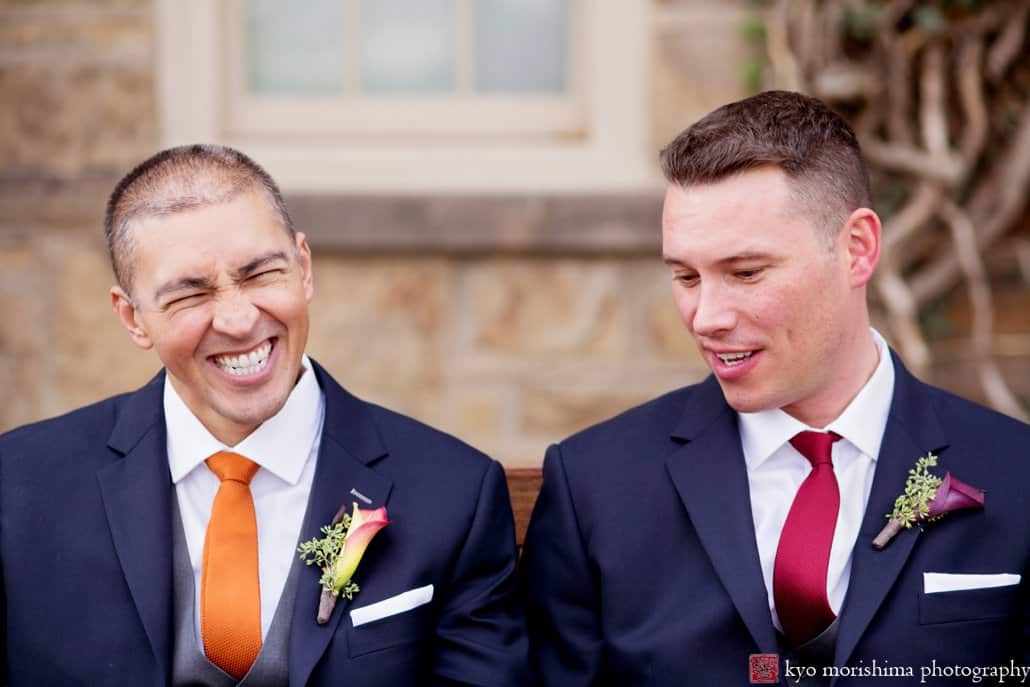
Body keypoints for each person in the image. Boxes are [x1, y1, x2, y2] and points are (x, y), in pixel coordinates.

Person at [521, 90, 1030, 685]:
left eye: (745, 273)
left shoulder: (1017, 474)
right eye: (685, 276)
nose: (706, 317)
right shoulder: (595, 486)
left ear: (856, 249)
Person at [0, 144, 528, 686]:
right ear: (133, 318)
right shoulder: (19, 485)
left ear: (303, 267)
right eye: (190, 294)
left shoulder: (454, 492)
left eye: (259, 274)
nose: (236, 318)